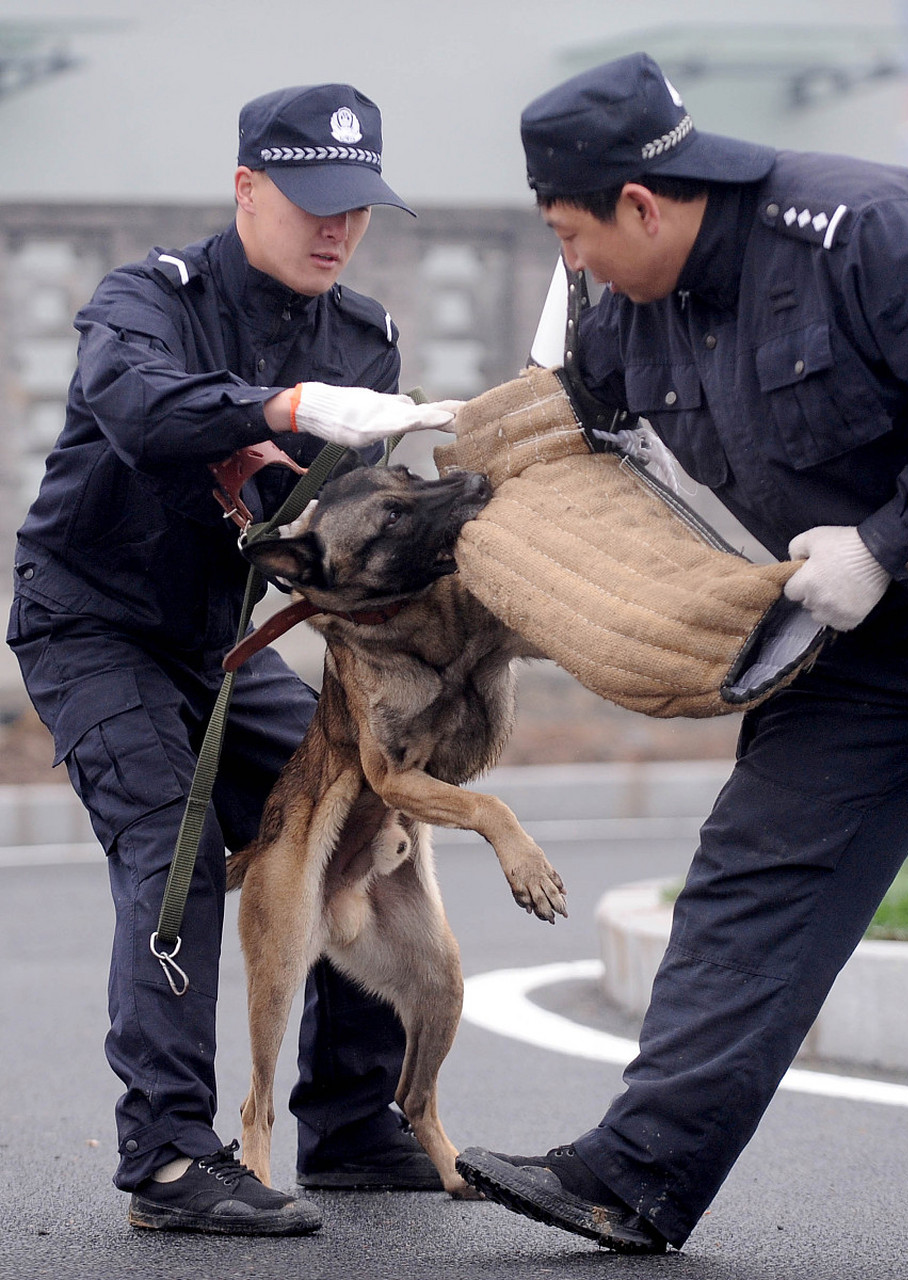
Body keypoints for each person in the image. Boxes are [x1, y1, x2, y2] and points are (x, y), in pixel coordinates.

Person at [456, 51, 908, 1254]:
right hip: (854, 630)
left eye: (573, 232)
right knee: (754, 880)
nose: (569, 260)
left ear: (640, 203)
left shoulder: (864, 229)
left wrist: (886, 541)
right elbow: (581, 427)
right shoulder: (623, 298)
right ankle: (635, 1174)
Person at [7, 82, 460, 1236]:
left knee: (356, 803)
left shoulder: (365, 333)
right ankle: (167, 1158)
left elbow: (351, 528)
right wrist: (288, 402)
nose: (337, 228)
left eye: (357, 206)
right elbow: (138, 406)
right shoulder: (148, 299)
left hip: (223, 638)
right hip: (92, 621)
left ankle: (354, 1125)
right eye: (311, 199)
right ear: (248, 187)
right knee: (175, 838)